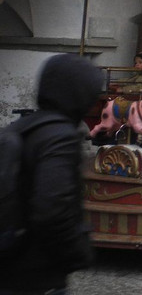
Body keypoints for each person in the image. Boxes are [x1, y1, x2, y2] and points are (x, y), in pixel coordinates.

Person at [6, 53, 104, 295]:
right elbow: (52, 208)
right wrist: (77, 253)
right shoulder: (60, 136)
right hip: (38, 272)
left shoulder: (20, 127)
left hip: (10, 261)